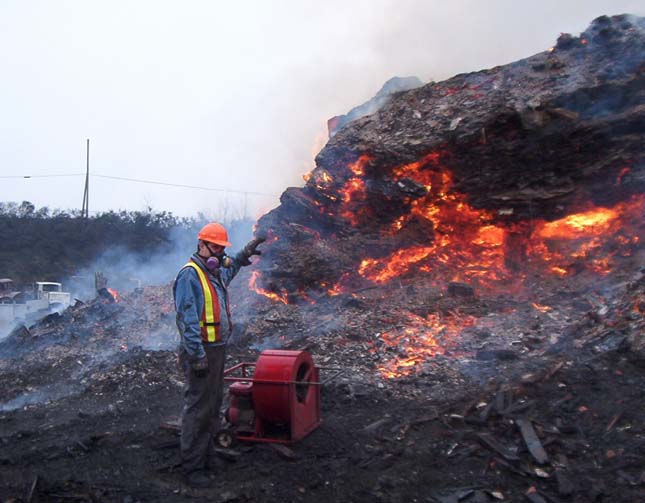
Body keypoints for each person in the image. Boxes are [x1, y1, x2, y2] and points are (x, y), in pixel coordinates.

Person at [173, 222, 264, 488]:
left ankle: (208, 454)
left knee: (213, 406)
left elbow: (231, 269)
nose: (219, 253)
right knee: (198, 408)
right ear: (201, 244)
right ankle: (192, 467)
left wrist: (245, 253)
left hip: (217, 348)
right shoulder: (190, 275)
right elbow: (186, 319)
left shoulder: (213, 273)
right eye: (215, 247)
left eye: (222, 248)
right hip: (202, 352)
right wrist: (196, 354)